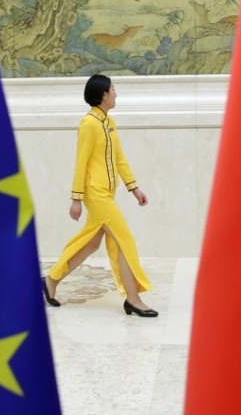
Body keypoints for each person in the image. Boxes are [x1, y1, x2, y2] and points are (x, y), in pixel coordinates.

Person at [42, 74, 157, 317]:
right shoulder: (89, 124)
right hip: (95, 194)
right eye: (113, 89)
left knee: (90, 243)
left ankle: (51, 280)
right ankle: (133, 299)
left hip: (108, 192)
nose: (116, 93)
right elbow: (80, 163)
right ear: (103, 94)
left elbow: (119, 158)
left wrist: (134, 188)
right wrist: (76, 198)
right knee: (124, 240)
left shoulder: (108, 122)